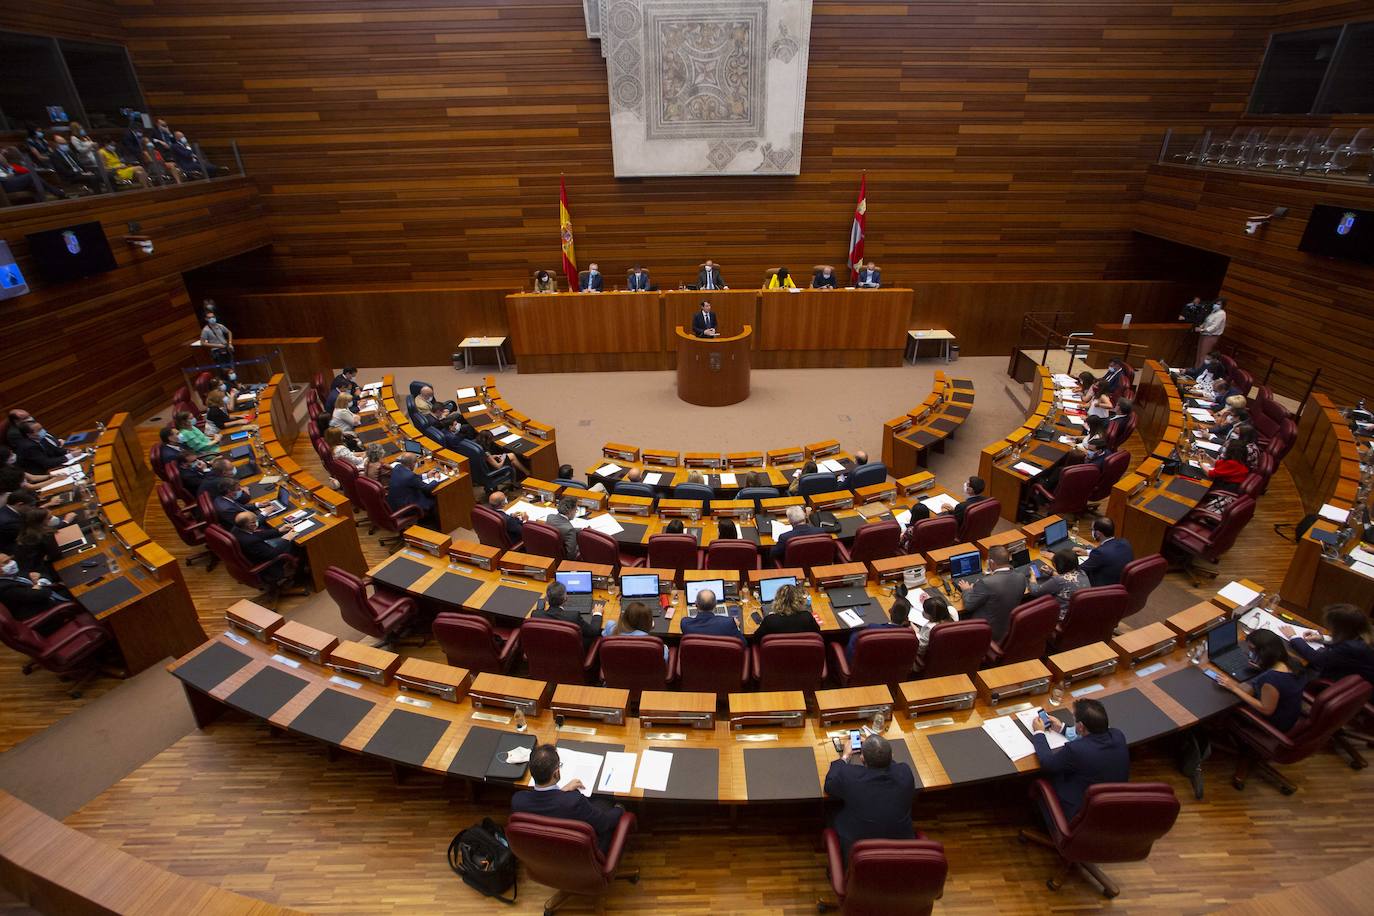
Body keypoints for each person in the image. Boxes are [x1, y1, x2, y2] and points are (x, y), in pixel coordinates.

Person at [510, 744, 625, 852]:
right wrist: (620, 809)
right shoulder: (574, 802)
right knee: (604, 803)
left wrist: (561, 792)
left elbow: (547, 809)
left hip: (544, 853)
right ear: (556, 773)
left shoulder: (518, 800)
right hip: (582, 855)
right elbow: (604, 823)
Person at [1029, 698, 1129, 821]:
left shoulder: (1076, 749)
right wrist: (1062, 728)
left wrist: (1039, 732)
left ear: (1081, 726)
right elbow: (1092, 738)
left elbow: (1048, 764)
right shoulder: (1118, 735)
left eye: (1075, 720)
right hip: (1112, 805)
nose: (1074, 722)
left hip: (1080, 813)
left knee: (1044, 777)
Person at [823, 734, 916, 861]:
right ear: (892, 755)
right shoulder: (905, 772)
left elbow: (829, 786)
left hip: (859, 852)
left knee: (830, 809)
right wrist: (878, 750)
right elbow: (893, 765)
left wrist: (845, 756)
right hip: (901, 850)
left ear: (862, 758)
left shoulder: (850, 777)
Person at [1214, 630, 1304, 733]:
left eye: (1252, 650)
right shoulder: (1293, 662)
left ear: (1264, 652)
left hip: (1274, 724)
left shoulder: (1271, 680)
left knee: (1227, 704)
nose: (1251, 653)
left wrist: (1233, 688)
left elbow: (1266, 710)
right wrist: (1263, 667)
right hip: (1291, 711)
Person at [1287, 603, 1374, 686]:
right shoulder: (1366, 634)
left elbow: (1317, 659)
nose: (1329, 629)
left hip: (1339, 683)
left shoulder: (1349, 647)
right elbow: (1348, 641)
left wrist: (1293, 637)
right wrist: (1322, 639)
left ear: (1342, 629)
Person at [958, 545, 1027, 642]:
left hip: (987, 630)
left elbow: (969, 605)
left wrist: (967, 590)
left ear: (992, 562)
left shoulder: (987, 582)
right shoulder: (1021, 577)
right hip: (1008, 625)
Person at [0, 552, 74, 622]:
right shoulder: (4, 588)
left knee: (74, 585)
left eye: (10, 559)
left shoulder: (14, 573)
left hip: (50, 596)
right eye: (6, 562)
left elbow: (43, 575)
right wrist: (39, 584)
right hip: (45, 613)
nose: (12, 563)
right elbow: (40, 594)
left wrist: (39, 582)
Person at [230, 511, 299, 586]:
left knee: (285, 539)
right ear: (250, 525)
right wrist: (286, 539)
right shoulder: (251, 541)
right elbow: (273, 554)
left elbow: (256, 535)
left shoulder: (236, 529)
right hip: (269, 565)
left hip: (257, 554)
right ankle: (299, 576)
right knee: (296, 545)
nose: (257, 522)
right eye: (255, 521)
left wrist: (279, 530)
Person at [845, 590, 916, 662]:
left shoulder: (872, 628)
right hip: (891, 669)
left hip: (864, 667)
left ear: (890, 611)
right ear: (906, 619)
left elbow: (853, 643)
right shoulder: (909, 636)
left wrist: (853, 632)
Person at [531, 579, 601, 648]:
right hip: (571, 652)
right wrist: (597, 613)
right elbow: (593, 632)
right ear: (565, 598)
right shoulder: (573, 617)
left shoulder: (535, 615)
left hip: (547, 650)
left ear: (547, 598)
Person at [1027, 548, 1087, 619]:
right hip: (1078, 615)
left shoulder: (1058, 581)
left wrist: (1033, 576)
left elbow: (1035, 591)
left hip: (1061, 618)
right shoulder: (1082, 573)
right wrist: (1051, 572)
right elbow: (1069, 578)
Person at [601, 600, 668, 659]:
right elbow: (663, 660)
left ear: (625, 616)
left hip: (616, 670)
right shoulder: (651, 643)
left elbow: (605, 639)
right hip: (644, 672)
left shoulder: (610, 626)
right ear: (648, 623)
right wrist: (665, 647)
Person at [1078, 517, 1133, 587]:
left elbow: (1081, 569)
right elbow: (1110, 553)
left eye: (1092, 530)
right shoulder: (1125, 542)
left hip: (1101, 587)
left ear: (1098, 533)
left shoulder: (1100, 553)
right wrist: (1087, 552)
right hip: (1119, 583)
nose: (1092, 532)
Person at [754, 583, 820, 638]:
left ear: (777, 601)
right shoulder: (807, 617)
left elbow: (756, 638)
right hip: (803, 653)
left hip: (776, 653)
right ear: (800, 601)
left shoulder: (770, 620)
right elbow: (817, 633)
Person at [387, 454, 438, 524]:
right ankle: (432, 523)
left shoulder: (397, 467)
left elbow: (413, 478)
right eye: (416, 462)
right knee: (435, 498)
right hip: (406, 508)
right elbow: (427, 488)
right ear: (413, 464)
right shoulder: (410, 476)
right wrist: (436, 479)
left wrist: (427, 475)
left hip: (394, 504)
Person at [908, 592, 954, 662]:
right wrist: (930, 602)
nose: (923, 611)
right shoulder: (952, 612)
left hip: (930, 659)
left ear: (931, 615)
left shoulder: (931, 630)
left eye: (925, 610)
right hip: (948, 653)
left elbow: (919, 649)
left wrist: (913, 628)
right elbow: (938, 606)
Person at [0, 150, 64, 199]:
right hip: (4, 185)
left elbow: (8, 167)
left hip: (11, 179)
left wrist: (4, 162)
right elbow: (3, 177)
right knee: (30, 176)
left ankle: (42, 204)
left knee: (33, 183)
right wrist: (7, 176)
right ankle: (57, 192)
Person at [1196, 298, 1226, 364]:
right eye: (1215, 303)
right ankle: (1195, 371)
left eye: (1218, 304)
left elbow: (1214, 327)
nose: (1216, 305)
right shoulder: (1214, 311)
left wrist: (1202, 329)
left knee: (1204, 355)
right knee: (1199, 354)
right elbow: (1207, 321)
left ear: (1222, 305)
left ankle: (1200, 372)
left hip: (1211, 336)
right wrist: (1201, 326)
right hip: (1204, 334)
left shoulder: (1221, 314)